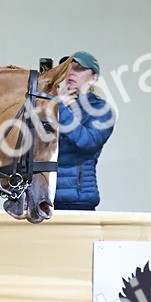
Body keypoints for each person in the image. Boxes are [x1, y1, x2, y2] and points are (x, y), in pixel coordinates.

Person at [54, 50, 115, 211]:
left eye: (79, 68)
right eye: (68, 68)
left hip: (78, 200)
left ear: (94, 78)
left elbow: (87, 142)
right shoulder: (53, 105)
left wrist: (60, 108)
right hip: (44, 198)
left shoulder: (101, 110)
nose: (71, 72)